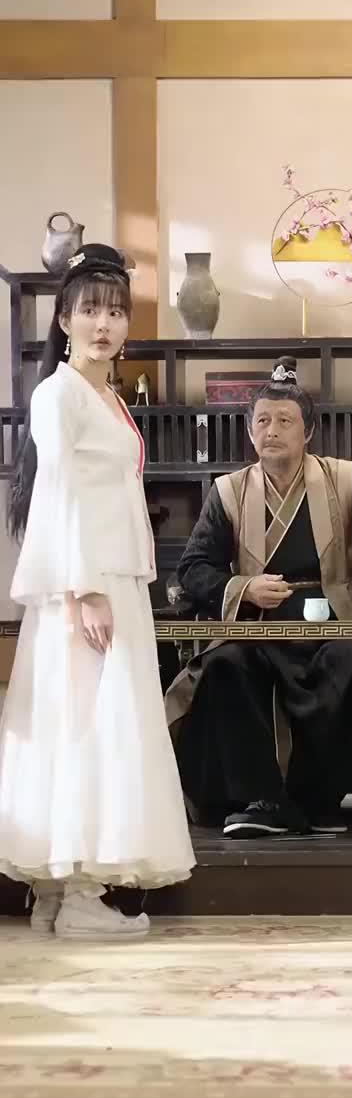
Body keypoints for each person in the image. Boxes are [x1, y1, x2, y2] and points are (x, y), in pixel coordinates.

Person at [0, 244, 195, 937]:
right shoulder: (58, 394)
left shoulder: (106, 396)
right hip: (88, 584)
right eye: (90, 310)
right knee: (88, 724)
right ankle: (82, 895)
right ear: (64, 319)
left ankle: (61, 893)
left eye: (115, 312)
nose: (104, 324)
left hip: (112, 578)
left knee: (89, 723)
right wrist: (84, 589)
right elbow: (59, 492)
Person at [166, 355, 352, 836]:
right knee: (225, 666)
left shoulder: (342, 479)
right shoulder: (229, 492)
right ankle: (261, 800)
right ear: (250, 431)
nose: (271, 430)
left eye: (284, 420)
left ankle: (319, 799)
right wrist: (244, 587)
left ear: (307, 431)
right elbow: (193, 569)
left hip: (334, 622)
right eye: (262, 421)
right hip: (258, 627)